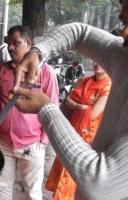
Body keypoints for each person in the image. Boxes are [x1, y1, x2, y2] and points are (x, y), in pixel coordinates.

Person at [13, 0, 128, 199]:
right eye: (123, 20)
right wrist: (38, 52)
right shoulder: (123, 55)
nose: (124, 33)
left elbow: (100, 183)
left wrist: (46, 108)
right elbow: (80, 32)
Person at [0, 25, 59, 200]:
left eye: (16, 43)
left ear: (28, 43)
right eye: (9, 43)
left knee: (32, 191)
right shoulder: (2, 70)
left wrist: (43, 140)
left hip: (32, 143)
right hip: (3, 141)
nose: (11, 47)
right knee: (2, 186)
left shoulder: (46, 72)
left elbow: (52, 105)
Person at [45, 62, 111, 199]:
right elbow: (68, 100)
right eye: (95, 59)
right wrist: (78, 106)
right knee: (64, 171)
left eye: (101, 60)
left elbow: (93, 114)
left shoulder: (109, 86)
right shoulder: (85, 80)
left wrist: (76, 105)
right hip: (72, 132)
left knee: (73, 179)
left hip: (89, 142)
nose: (97, 63)